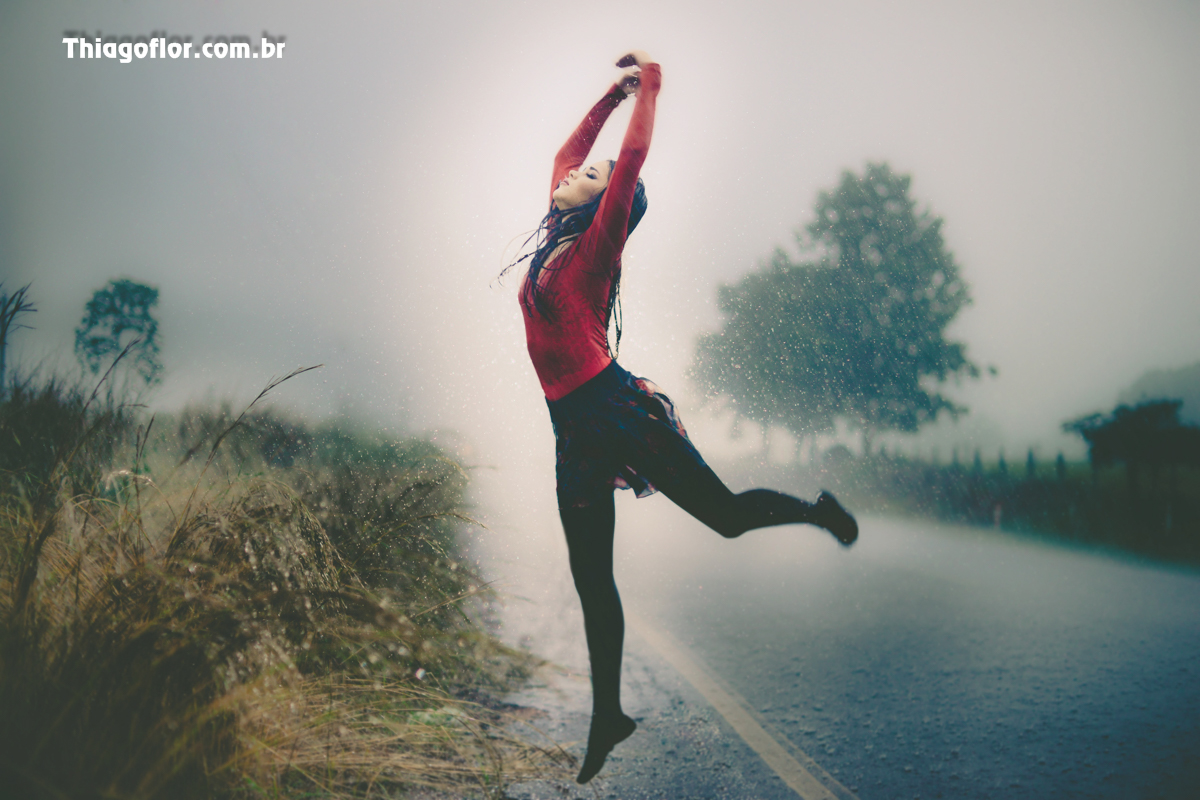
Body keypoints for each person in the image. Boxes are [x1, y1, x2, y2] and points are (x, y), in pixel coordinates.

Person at [506, 50, 858, 784]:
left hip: (617, 411)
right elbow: (566, 154)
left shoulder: (596, 247)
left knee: (725, 518)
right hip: (571, 429)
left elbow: (631, 159)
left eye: (592, 176)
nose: (574, 173)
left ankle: (815, 511)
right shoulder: (556, 234)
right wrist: (610, 95)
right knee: (590, 575)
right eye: (580, 172)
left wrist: (651, 82)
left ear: (607, 201)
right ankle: (608, 715)